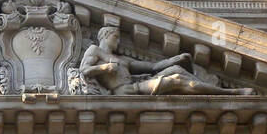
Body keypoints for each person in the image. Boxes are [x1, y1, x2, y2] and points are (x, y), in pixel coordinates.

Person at [76, 27, 254, 95]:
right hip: (124, 91)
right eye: (115, 37)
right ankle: (231, 93)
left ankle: (209, 90)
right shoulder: (95, 50)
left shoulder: (123, 60)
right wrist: (104, 68)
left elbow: (153, 66)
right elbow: (84, 70)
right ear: (105, 35)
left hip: (137, 87)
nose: (118, 41)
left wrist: (174, 59)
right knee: (176, 80)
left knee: (176, 69)